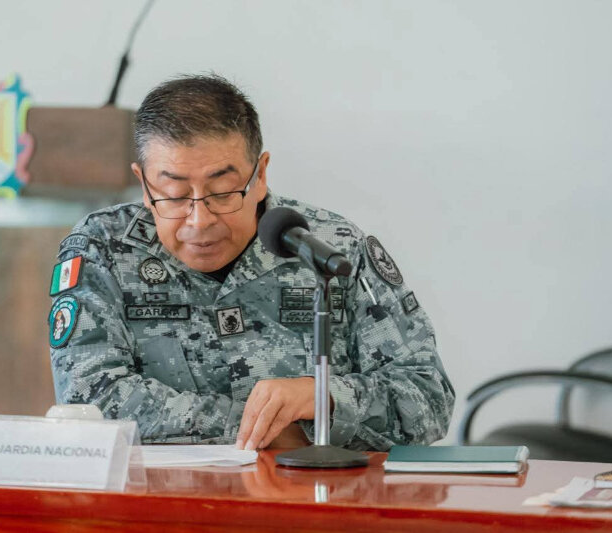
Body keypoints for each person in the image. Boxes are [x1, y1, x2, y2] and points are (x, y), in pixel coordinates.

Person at [48, 74, 454, 451]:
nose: (199, 219)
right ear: (143, 182)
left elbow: (429, 396)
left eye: (223, 192)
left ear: (259, 175)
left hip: (313, 499)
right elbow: (90, 401)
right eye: (174, 195)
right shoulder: (103, 249)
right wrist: (267, 429)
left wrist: (323, 399)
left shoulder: (332, 248)